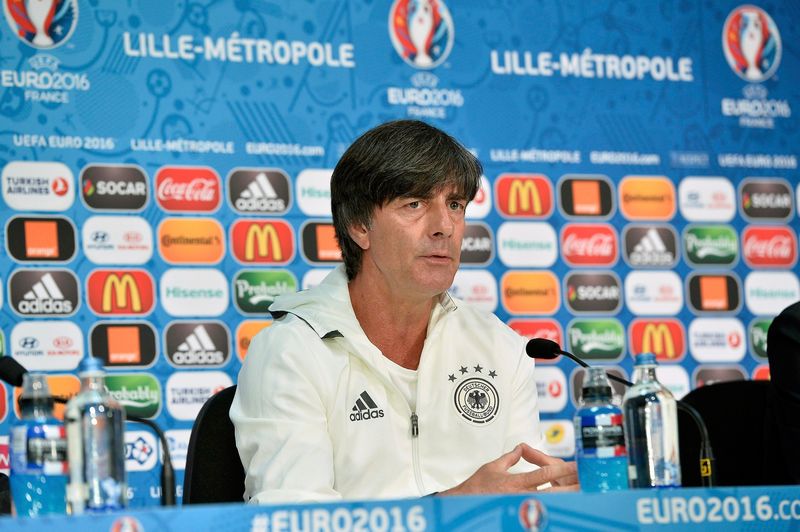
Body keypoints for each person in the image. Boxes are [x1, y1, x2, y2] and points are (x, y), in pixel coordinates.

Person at [230, 119, 578, 502]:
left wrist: (558, 504)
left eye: (455, 205)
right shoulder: (291, 352)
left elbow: (525, 503)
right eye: (414, 204)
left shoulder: (502, 348)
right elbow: (296, 523)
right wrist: (450, 510)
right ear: (359, 226)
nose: (444, 226)